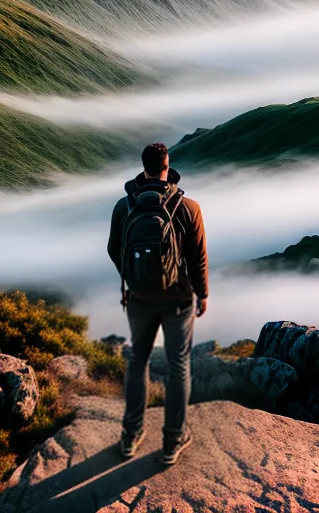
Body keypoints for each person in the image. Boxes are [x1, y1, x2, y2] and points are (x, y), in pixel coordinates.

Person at [107, 142, 208, 466]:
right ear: (167, 165)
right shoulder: (188, 207)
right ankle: (171, 442)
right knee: (178, 367)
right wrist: (202, 294)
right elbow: (198, 259)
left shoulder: (125, 206)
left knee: (138, 362)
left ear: (144, 166)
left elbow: (114, 249)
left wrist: (134, 278)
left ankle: (131, 436)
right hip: (178, 299)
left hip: (139, 299)